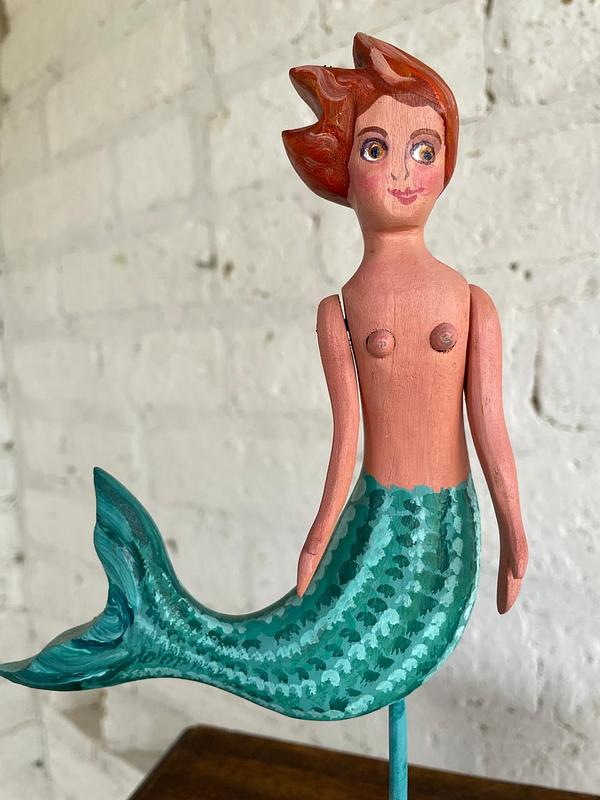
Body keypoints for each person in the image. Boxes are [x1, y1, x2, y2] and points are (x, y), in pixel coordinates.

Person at [0, 33, 527, 725]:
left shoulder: (469, 300)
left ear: (447, 163)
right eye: (376, 150)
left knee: (386, 659)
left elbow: (489, 425)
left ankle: (160, 632)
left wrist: (515, 534)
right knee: (323, 665)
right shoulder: (340, 311)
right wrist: (317, 542)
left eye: (424, 150)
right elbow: (347, 440)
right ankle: (158, 633)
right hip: (377, 523)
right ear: (340, 172)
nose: (404, 170)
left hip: (442, 533)